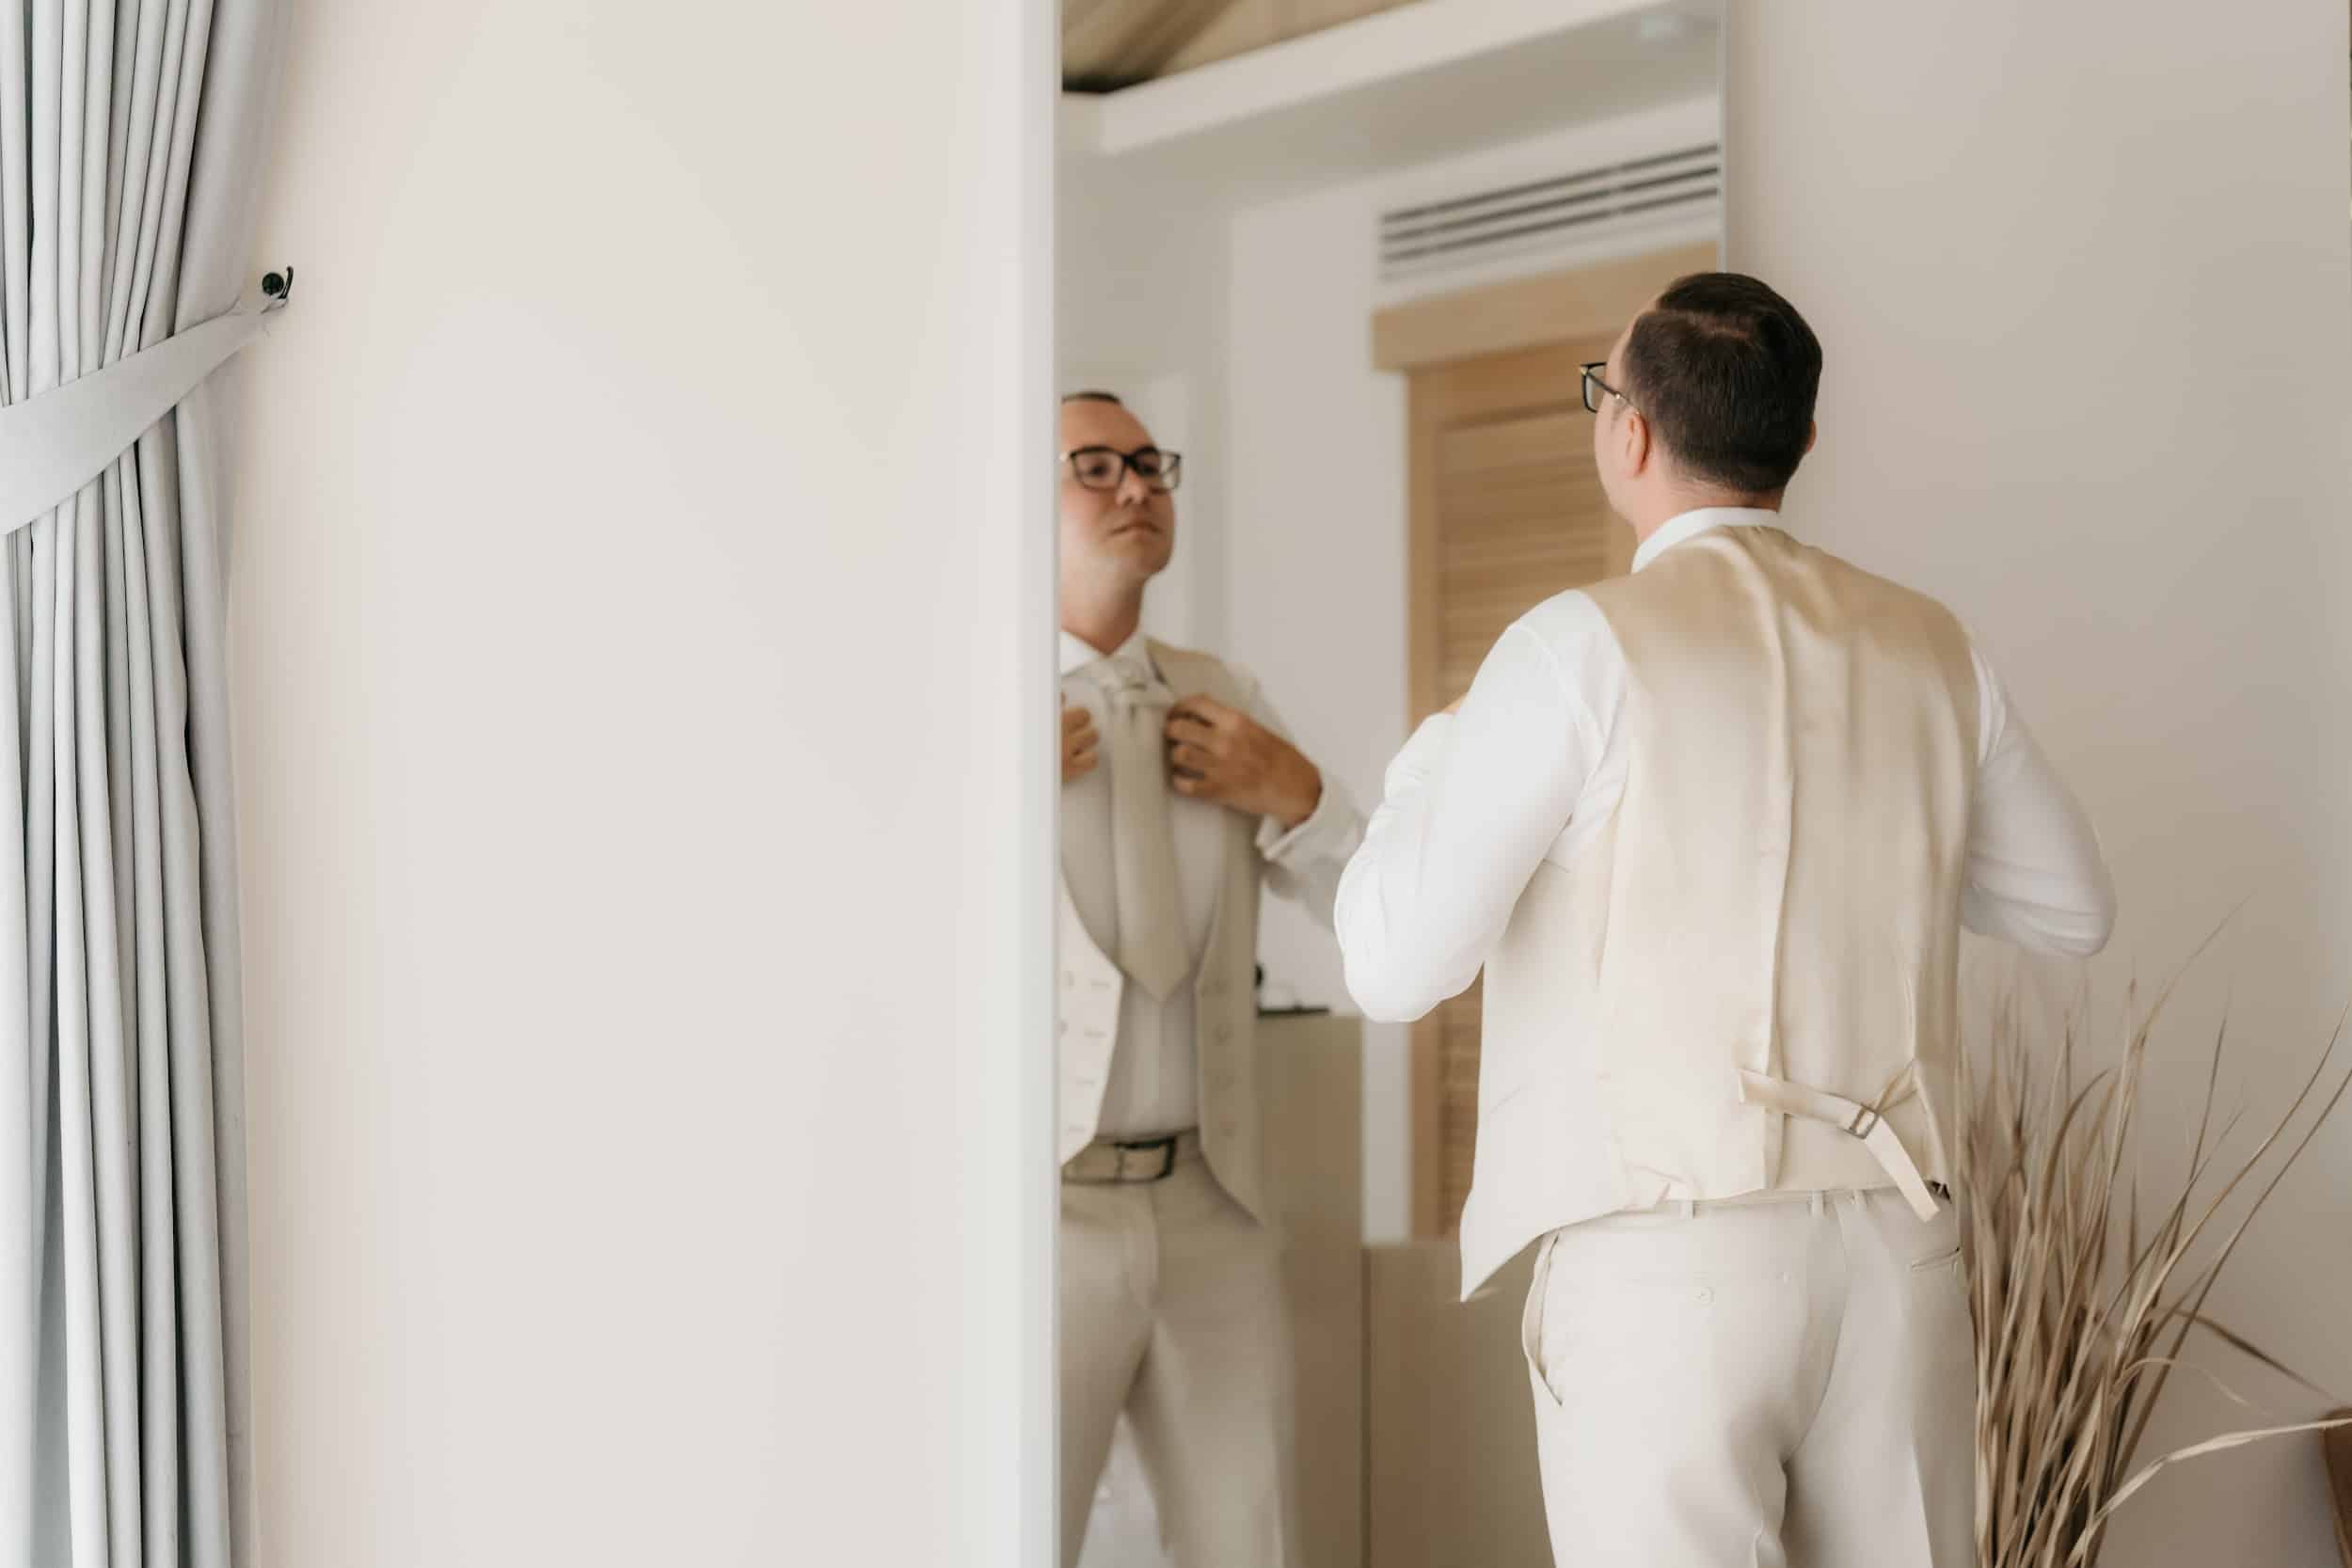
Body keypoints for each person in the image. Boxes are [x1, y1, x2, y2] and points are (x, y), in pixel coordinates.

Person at [1333, 274, 2116, 1567]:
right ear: (1800, 441)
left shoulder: (1576, 647)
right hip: (1893, 1261)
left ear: (1627, 434)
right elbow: (2072, 907)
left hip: (1666, 1268)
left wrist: (1426, 766)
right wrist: (1880, 839)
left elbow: (1392, 965)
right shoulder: (1931, 646)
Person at [1053, 390, 1363, 1568]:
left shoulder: (1223, 695)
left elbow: (1370, 911)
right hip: (1041, 1210)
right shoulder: (964, 707)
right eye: (1093, 465)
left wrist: (1298, 791)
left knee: (1247, 1540)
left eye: (1150, 463)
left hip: (1209, 1200)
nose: (1136, 486)